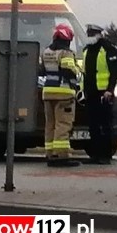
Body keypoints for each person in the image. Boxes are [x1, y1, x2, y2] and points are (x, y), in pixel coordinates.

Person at [40, 23, 82, 167]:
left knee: (50, 124)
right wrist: (78, 72)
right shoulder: (66, 53)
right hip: (63, 93)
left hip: (47, 93)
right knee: (63, 124)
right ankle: (62, 155)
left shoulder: (46, 52)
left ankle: (50, 153)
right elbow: (69, 70)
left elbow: (41, 71)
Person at [82, 24, 117, 164]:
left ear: (99, 34)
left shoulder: (108, 49)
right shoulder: (87, 50)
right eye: (88, 34)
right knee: (93, 125)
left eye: (92, 34)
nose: (90, 37)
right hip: (90, 93)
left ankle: (105, 155)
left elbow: (115, 71)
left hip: (104, 93)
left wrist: (110, 90)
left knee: (105, 125)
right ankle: (95, 154)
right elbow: (85, 72)